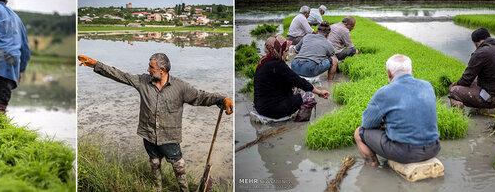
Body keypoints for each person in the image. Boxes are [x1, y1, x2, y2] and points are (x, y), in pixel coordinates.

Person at [78, 52, 233, 192]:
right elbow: (120, 75)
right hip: (149, 134)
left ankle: (184, 190)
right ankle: (157, 188)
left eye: (151, 67)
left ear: (162, 69)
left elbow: (201, 97)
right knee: (154, 163)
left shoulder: (180, 87)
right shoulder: (142, 81)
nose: (148, 70)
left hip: (169, 136)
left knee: (179, 166)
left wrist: (222, 99)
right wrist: (95, 64)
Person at [354, 54, 440, 166]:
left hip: (406, 153)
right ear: (411, 70)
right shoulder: (427, 85)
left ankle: (372, 166)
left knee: (359, 133)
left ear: (389, 73)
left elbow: (366, 123)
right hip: (434, 148)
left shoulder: (385, 92)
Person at [254, 35, 329, 119]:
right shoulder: (278, 65)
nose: (287, 53)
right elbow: (299, 81)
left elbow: (291, 80)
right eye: (285, 50)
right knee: (309, 96)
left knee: (295, 89)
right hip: (272, 110)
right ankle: (299, 125)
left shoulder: (263, 61)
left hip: (260, 106)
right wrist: (319, 92)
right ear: (280, 50)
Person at [448, 28, 495, 109]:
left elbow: (466, 80)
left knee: (454, 90)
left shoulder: (480, 52)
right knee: (475, 81)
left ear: (476, 43)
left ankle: (460, 114)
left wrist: (454, 84)